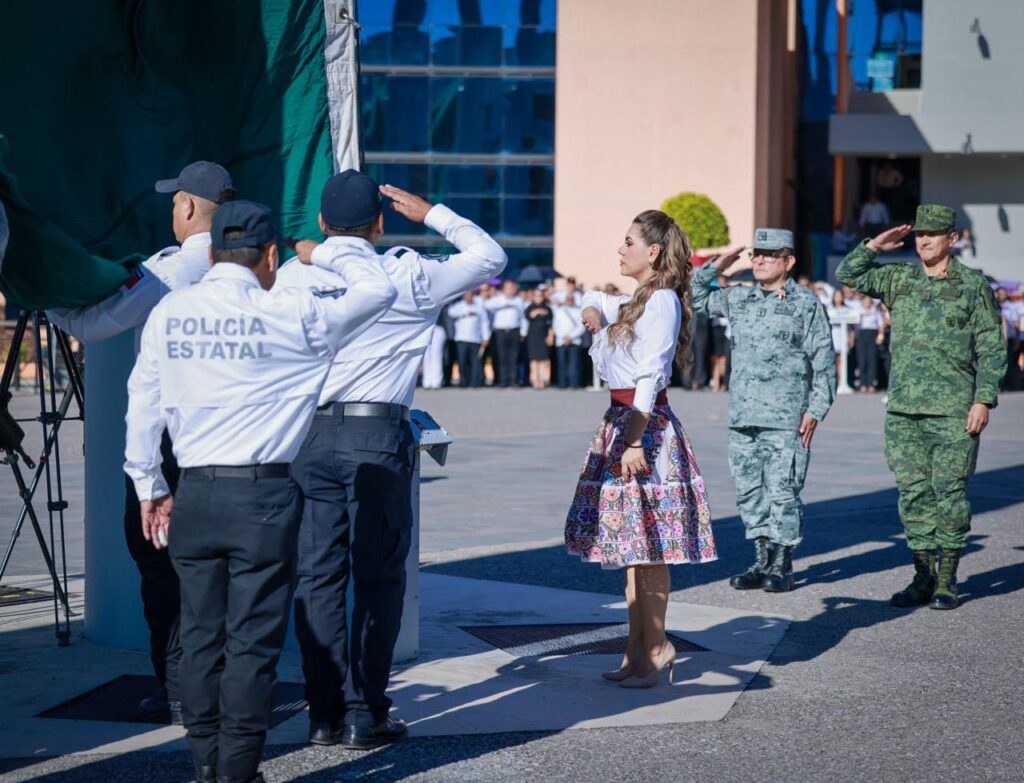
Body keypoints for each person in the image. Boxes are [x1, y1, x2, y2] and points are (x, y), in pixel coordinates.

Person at [124, 200, 397, 783]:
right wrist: (323, 249)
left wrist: (148, 483)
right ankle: (239, 771)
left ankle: (205, 764)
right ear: (270, 254)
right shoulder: (293, 311)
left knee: (199, 635)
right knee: (251, 643)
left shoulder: (170, 311)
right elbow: (377, 291)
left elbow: (142, 405)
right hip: (264, 498)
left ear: (215, 250)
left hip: (191, 492)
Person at [278, 171, 506, 749]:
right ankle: (364, 712)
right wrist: (431, 213)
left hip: (306, 435)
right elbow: (488, 256)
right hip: (375, 437)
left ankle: (323, 714)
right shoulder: (408, 271)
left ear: (325, 223)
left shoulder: (294, 272)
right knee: (379, 577)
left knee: (317, 578)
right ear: (379, 224)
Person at [45, 161, 235, 723]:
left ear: (185, 207)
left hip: (174, 449)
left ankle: (180, 691)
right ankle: (227, 689)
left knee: (164, 570)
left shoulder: (168, 273)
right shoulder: (255, 268)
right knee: (228, 573)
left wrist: (50, 298)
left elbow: (93, 326)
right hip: (238, 447)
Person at [566, 209, 716, 688]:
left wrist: (634, 440)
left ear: (652, 252)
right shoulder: (638, 300)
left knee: (649, 549)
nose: (620, 249)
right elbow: (594, 299)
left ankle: (656, 645)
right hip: (622, 422)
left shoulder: (662, 302)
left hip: (642, 426)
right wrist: (592, 310)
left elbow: (651, 375)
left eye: (628, 242)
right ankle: (637, 647)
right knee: (631, 547)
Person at [837, 204, 1006, 610]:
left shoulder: (971, 285)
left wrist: (983, 398)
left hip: (953, 411)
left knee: (949, 495)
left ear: (953, 238)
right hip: (904, 411)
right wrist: (873, 245)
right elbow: (848, 274)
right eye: (919, 234)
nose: (924, 240)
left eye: (933, 233)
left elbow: (991, 346)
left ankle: (947, 580)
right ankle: (922, 576)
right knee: (912, 495)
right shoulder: (900, 278)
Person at [692, 229, 836, 593]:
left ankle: (782, 562)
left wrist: (816, 409)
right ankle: (760, 558)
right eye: (756, 254)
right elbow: (693, 296)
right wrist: (716, 266)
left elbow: (824, 363)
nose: (758, 260)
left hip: (787, 418)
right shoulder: (739, 299)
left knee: (783, 490)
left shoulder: (806, 304)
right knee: (749, 491)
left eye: (769, 255)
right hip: (743, 416)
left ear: (788, 262)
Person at [484, 279, 525, 387]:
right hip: (500, 332)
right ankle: (503, 381)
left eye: (513, 288)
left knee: (513, 357)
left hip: (514, 331)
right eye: (509, 288)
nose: (512, 290)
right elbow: (487, 305)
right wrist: (505, 304)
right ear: (504, 289)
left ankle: (513, 380)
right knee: (502, 357)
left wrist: (523, 333)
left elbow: (523, 317)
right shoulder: (497, 299)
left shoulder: (518, 300)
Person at [447, 290, 490, 387]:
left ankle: (475, 382)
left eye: (470, 295)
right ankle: (463, 381)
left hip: (476, 339)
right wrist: (466, 312)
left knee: (475, 362)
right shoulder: (458, 306)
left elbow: (485, 323)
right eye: (466, 296)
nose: (468, 297)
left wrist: (486, 337)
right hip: (461, 339)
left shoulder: (478, 307)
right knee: (462, 361)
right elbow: (451, 313)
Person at [552, 288, 585, 388]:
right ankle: (562, 382)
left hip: (574, 340)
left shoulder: (579, 311)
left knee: (574, 363)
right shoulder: (559, 311)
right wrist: (564, 337)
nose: (569, 302)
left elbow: (581, 326)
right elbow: (556, 326)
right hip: (561, 340)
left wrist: (571, 337)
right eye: (568, 300)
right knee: (562, 363)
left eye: (571, 300)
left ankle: (574, 382)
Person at [524, 287, 554, 389]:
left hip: (543, 335)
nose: (538, 298)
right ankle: (535, 380)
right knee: (534, 360)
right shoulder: (530, 307)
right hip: (533, 336)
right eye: (536, 296)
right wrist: (536, 312)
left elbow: (550, 324)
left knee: (542, 359)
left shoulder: (547, 308)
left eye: (540, 295)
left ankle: (542, 380)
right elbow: (528, 316)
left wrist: (550, 336)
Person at [855, 294, 885, 392]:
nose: (867, 302)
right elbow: (855, 325)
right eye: (865, 300)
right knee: (862, 360)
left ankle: (871, 383)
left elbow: (881, 325)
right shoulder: (859, 310)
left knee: (872, 359)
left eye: (868, 300)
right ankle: (863, 383)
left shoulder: (875, 311)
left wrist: (880, 336)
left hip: (872, 334)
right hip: (862, 335)